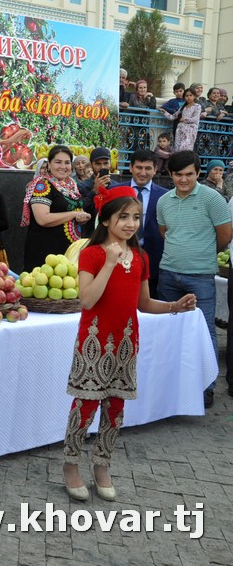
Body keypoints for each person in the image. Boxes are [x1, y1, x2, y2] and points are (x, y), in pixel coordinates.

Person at [62, 186, 196, 502]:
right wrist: (109, 262)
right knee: (85, 405)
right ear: (106, 220)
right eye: (124, 217)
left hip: (125, 343)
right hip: (93, 343)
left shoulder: (141, 257)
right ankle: (70, 464)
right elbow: (87, 299)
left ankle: (102, 465)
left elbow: (144, 303)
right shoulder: (92, 254)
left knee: (116, 408)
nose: (131, 224)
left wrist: (174, 306)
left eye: (136, 217)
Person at [157, 151, 232, 408]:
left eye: (189, 174)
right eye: (178, 174)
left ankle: (206, 386)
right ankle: (170, 383)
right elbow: (166, 233)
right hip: (168, 274)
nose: (184, 179)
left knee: (205, 331)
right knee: (168, 329)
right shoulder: (164, 201)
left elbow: (224, 236)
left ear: (198, 173)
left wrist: (201, 254)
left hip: (200, 276)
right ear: (171, 174)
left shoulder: (213, 198)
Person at [22, 145, 91, 271]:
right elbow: (43, 219)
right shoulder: (42, 185)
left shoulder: (71, 185)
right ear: (49, 165)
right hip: (46, 252)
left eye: (67, 163)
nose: (63, 167)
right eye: (58, 162)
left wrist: (81, 217)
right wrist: (74, 215)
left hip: (67, 252)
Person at [125, 149, 168, 296]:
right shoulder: (117, 190)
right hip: (122, 255)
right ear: (131, 167)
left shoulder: (165, 196)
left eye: (148, 168)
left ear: (155, 170)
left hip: (154, 259)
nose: (143, 172)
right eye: (139, 167)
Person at [78, 147, 114, 238]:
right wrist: (94, 191)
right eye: (98, 164)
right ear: (91, 165)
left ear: (110, 163)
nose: (102, 167)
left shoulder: (116, 186)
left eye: (106, 163)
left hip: (112, 236)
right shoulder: (81, 186)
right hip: (90, 236)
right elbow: (81, 211)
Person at [160, 87, 201, 152]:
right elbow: (173, 117)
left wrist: (185, 119)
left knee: (185, 149)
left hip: (190, 131)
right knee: (177, 149)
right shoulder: (183, 107)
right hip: (180, 130)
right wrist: (164, 112)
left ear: (194, 96)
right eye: (186, 96)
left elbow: (195, 119)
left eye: (190, 95)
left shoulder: (197, 106)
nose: (188, 97)